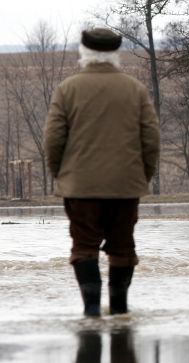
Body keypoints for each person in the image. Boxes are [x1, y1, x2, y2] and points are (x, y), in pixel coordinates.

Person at [44, 28, 160, 317]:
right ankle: (120, 309)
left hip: (80, 186)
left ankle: (92, 310)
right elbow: (151, 138)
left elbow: (53, 139)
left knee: (84, 247)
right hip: (125, 185)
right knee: (122, 248)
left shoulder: (67, 89)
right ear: (114, 53)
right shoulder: (135, 89)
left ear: (84, 52)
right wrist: (142, 175)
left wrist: (60, 174)